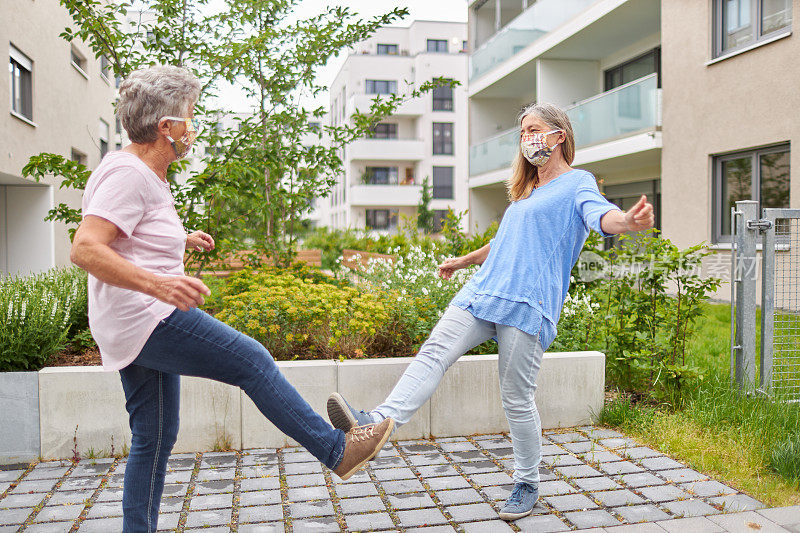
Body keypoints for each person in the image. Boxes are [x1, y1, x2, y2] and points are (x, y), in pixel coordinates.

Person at [70, 65, 393, 533]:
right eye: (189, 118)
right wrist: (161, 284)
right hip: (148, 315)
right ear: (166, 128)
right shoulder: (130, 175)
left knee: (155, 434)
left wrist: (179, 239)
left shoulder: (138, 173)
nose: (192, 128)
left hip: (129, 320)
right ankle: (336, 450)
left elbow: (130, 235)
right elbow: (85, 248)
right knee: (252, 360)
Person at [326, 102, 654, 521]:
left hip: (527, 302)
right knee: (433, 353)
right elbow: (505, 241)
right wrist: (463, 261)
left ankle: (527, 482)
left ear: (560, 136)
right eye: (523, 133)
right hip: (484, 292)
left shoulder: (577, 184)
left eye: (535, 129)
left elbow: (601, 216)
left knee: (517, 398)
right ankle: (373, 423)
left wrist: (626, 221)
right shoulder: (526, 192)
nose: (528, 139)